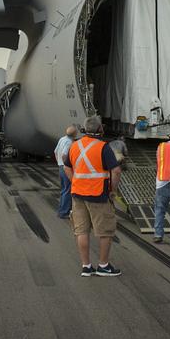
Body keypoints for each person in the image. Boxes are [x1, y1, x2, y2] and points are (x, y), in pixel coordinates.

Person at [64, 115, 122, 277]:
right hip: (98, 195)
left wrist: (75, 181)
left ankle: (86, 266)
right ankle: (103, 265)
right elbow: (116, 171)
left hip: (77, 194)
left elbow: (66, 167)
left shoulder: (75, 146)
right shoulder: (103, 147)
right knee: (105, 231)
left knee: (81, 230)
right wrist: (112, 190)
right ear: (99, 129)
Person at [53, 125, 78, 219]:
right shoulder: (69, 142)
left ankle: (61, 210)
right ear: (75, 134)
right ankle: (64, 212)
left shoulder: (62, 139)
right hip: (65, 168)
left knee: (64, 190)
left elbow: (55, 152)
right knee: (68, 190)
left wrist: (59, 163)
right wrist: (66, 165)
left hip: (61, 167)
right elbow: (64, 154)